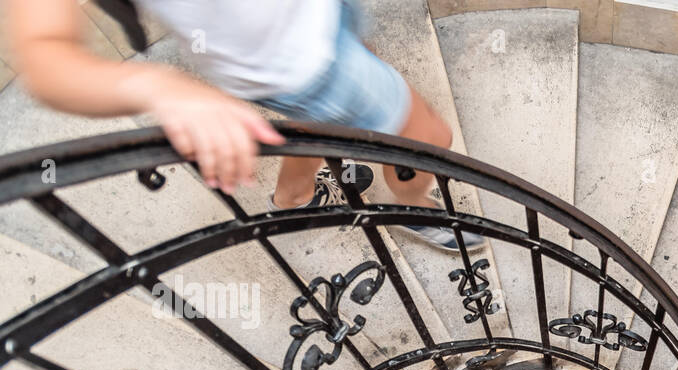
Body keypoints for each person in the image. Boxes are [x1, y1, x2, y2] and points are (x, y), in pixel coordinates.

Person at [6, 0, 479, 249]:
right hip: (294, 61)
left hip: (320, 18)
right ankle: (417, 206)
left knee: (324, 121)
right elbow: (45, 58)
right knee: (428, 139)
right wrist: (160, 87)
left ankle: (294, 198)